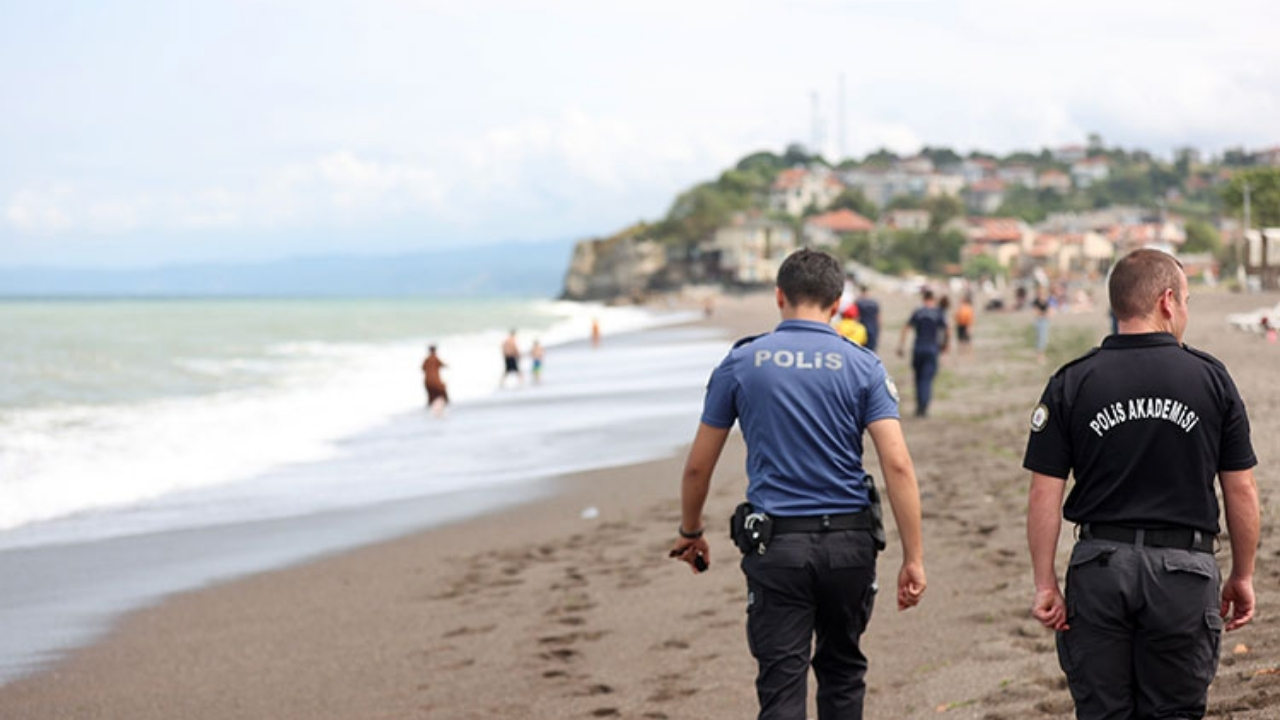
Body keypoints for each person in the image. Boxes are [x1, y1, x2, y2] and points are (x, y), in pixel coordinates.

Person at [670, 248, 926, 720]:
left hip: (778, 547)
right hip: (850, 545)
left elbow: (697, 468)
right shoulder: (863, 365)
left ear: (779, 296)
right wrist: (913, 558)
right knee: (843, 670)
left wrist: (691, 531)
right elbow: (898, 465)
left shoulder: (741, 363)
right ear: (836, 303)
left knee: (782, 682)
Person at [1023, 248, 1259, 720]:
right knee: (1174, 710)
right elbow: (1241, 490)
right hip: (1183, 572)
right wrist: (1243, 574)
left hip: (1100, 569)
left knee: (1103, 712)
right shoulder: (1210, 380)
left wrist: (1045, 581)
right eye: (1187, 300)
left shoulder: (1073, 381)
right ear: (1168, 301)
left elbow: (1043, 492)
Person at [896, 287, 949, 417]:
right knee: (927, 378)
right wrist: (945, 345)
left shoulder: (918, 312)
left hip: (918, 348)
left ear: (923, 299)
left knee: (918, 377)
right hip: (932, 348)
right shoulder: (938, 312)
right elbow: (947, 330)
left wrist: (901, 346)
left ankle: (919, 405)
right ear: (933, 299)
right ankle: (924, 406)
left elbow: (906, 328)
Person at [422, 345, 448, 417]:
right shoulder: (435, 358)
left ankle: (429, 414)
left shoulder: (426, 360)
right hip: (436, 382)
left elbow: (422, 368)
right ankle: (440, 412)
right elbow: (444, 365)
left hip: (427, 382)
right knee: (444, 396)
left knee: (430, 398)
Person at [854, 285, 881, 352]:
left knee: (861, 350)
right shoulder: (874, 303)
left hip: (862, 327)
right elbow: (878, 318)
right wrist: (879, 329)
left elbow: (855, 317)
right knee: (871, 351)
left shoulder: (858, 302)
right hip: (873, 327)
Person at [1032, 286, 1052, 364]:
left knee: (1044, 339)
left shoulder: (1047, 302)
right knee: (1040, 338)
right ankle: (1040, 356)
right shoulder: (1036, 302)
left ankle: (1042, 355)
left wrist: (1044, 314)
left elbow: (1050, 312)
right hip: (1039, 321)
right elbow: (1036, 313)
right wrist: (1044, 314)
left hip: (1045, 321)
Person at [954, 293, 975, 357]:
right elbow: (956, 316)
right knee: (960, 340)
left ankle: (969, 353)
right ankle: (961, 353)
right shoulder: (961, 307)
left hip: (966, 325)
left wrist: (969, 326)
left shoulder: (968, 308)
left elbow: (970, 317)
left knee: (967, 340)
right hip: (960, 324)